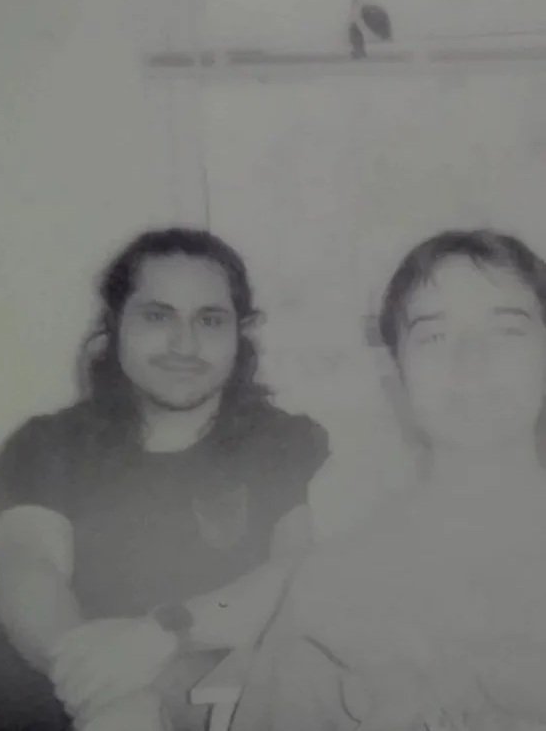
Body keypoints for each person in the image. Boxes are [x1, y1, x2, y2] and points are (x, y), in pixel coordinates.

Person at [0, 227, 330, 731]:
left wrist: (163, 635)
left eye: (209, 320)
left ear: (240, 333)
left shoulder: (286, 442)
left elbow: (300, 574)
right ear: (114, 324)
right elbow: (28, 573)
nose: (184, 344)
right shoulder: (47, 446)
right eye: (157, 316)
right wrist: (100, 684)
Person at [232, 229, 546, 731]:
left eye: (507, 330)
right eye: (433, 336)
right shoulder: (332, 589)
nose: (469, 362)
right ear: (397, 374)